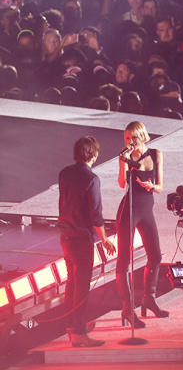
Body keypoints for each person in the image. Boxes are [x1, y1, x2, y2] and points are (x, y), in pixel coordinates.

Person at [58, 136, 117, 347]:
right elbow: (96, 214)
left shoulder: (64, 174)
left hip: (65, 236)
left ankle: (72, 325)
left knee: (72, 283)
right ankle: (79, 333)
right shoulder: (92, 179)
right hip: (82, 238)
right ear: (94, 154)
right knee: (81, 286)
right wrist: (105, 240)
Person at [116, 120, 165, 327]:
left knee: (156, 255)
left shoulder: (156, 153)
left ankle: (149, 298)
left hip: (147, 208)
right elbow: (121, 184)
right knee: (124, 262)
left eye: (133, 137)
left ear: (142, 136)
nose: (130, 141)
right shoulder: (126, 157)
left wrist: (152, 186)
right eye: (127, 138)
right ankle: (127, 308)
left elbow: (161, 187)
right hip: (129, 208)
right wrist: (123, 164)